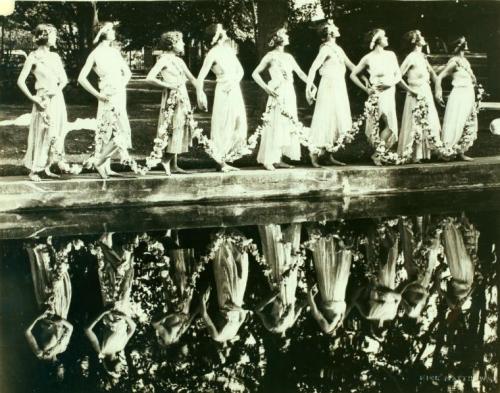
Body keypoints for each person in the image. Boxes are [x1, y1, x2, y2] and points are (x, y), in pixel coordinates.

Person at [17, 24, 80, 181]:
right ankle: (34, 170)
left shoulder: (55, 57)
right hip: (42, 100)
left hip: (57, 98)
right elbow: (20, 81)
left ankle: (47, 166)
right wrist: (34, 98)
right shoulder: (33, 57)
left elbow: (64, 80)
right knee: (43, 132)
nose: (55, 38)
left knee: (56, 132)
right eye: (53, 35)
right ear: (44, 36)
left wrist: (56, 90)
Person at [78, 22, 133, 179]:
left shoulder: (115, 52)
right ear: (102, 33)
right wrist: (98, 95)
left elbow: (127, 72)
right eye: (110, 30)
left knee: (119, 131)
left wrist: (120, 85)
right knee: (110, 131)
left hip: (119, 94)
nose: (114, 32)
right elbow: (81, 78)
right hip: (107, 96)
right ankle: (100, 162)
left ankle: (105, 166)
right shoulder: (95, 54)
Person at [252, 27, 310, 171]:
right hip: (277, 93)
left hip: (289, 92)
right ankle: (268, 159)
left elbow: (300, 73)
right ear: (279, 39)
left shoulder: (289, 57)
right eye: (285, 35)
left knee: (286, 123)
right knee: (275, 122)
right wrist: (267, 88)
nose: (288, 36)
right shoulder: (270, 56)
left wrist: (312, 84)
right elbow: (255, 74)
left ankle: (279, 159)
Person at [196, 23, 247, 172]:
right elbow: (200, 77)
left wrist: (234, 82)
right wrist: (201, 94)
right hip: (223, 91)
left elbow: (241, 71)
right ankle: (221, 162)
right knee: (223, 123)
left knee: (239, 122)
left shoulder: (229, 51)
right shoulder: (212, 53)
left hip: (234, 89)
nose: (225, 31)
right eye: (221, 30)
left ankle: (228, 157)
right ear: (217, 35)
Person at [85, 233, 137, 378]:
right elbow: (133, 328)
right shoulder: (121, 347)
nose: (121, 369)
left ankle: (104, 244)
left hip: (109, 312)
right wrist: (126, 317)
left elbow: (87, 329)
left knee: (111, 280)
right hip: (123, 311)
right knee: (125, 281)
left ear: (110, 368)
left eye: (118, 371)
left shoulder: (101, 350)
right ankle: (110, 243)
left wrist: (103, 312)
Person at [145, 31, 197, 175]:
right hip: (172, 97)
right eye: (181, 42)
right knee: (173, 126)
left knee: (180, 125)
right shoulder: (163, 59)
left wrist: (200, 91)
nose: (184, 44)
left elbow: (192, 78)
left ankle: (174, 164)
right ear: (172, 44)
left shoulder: (179, 61)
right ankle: (166, 160)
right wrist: (168, 85)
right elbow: (149, 78)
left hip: (182, 95)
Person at [306, 20, 355, 167]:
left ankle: (329, 154)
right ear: (329, 33)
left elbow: (352, 66)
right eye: (335, 27)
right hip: (328, 86)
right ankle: (314, 155)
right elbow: (313, 68)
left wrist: (367, 76)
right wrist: (309, 87)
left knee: (337, 117)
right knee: (324, 116)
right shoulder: (325, 49)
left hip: (339, 86)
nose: (338, 27)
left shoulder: (338, 49)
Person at [351, 29, 401, 165]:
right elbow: (353, 74)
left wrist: (389, 84)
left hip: (389, 92)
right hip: (377, 93)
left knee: (391, 125)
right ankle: (378, 153)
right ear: (378, 40)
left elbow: (398, 75)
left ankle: (378, 153)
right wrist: (366, 89)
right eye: (384, 36)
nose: (387, 38)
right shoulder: (368, 57)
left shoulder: (391, 55)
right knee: (377, 123)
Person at [25, 240, 73, 360]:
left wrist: (39, 316)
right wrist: (61, 321)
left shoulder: (40, 354)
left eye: (59, 374)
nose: (61, 371)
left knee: (45, 283)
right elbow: (70, 329)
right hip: (61, 312)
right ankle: (52, 247)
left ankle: (39, 250)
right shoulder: (62, 348)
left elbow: (27, 332)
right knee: (59, 283)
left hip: (46, 313)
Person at [397, 30, 441, 163]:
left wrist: (438, 89)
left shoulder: (422, 56)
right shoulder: (411, 57)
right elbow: (397, 77)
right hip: (415, 93)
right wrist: (411, 90)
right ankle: (414, 154)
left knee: (428, 120)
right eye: (420, 36)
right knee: (415, 122)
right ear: (414, 41)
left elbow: (433, 74)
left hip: (426, 91)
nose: (423, 38)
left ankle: (426, 153)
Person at [256, 224, 306, 334]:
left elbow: (258, 310)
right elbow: (301, 305)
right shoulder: (290, 322)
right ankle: (291, 230)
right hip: (290, 289)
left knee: (277, 264)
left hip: (277, 290)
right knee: (290, 262)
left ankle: (274, 230)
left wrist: (272, 297)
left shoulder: (271, 327)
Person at [153, 230, 200, 346]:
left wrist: (172, 314)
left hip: (175, 302)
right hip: (185, 303)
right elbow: (186, 321)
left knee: (177, 271)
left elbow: (155, 323)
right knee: (183, 268)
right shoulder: (176, 339)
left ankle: (166, 239)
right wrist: (197, 310)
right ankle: (173, 234)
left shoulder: (167, 340)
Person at [200, 232, 250, 342]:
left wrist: (202, 300)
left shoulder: (218, 337)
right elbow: (242, 317)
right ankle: (229, 240)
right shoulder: (230, 335)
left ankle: (222, 241)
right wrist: (238, 308)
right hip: (236, 301)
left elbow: (204, 315)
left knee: (224, 273)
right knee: (238, 273)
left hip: (225, 302)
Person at [435, 37, 478, 161]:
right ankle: (448, 150)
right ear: (458, 45)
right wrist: (438, 91)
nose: (466, 43)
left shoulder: (465, 61)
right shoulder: (454, 62)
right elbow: (440, 77)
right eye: (463, 42)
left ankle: (460, 151)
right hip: (459, 95)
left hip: (468, 93)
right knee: (457, 120)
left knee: (466, 121)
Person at [307, 225, 352, 334]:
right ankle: (337, 233)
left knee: (327, 267)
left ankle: (323, 234)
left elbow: (315, 313)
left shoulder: (327, 329)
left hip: (329, 294)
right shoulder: (339, 324)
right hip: (340, 294)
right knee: (337, 266)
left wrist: (310, 295)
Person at [398, 216, 441, 318]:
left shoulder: (411, 312)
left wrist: (410, 283)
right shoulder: (417, 310)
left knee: (414, 253)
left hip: (415, 279)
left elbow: (400, 295)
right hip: (423, 280)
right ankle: (423, 221)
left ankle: (414, 222)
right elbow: (426, 293)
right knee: (425, 255)